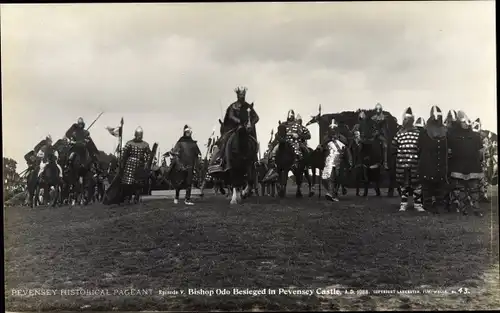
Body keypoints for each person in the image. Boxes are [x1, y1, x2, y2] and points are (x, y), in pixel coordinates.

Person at [208, 87, 259, 173]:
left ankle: (255, 161)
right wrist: (239, 121)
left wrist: (250, 123)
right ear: (237, 95)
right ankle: (223, 160)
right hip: (234, 128)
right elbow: (230, 116)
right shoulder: (233, 106)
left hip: (246, 129)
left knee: (253, 142)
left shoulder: (248, 107)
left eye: (243, 95)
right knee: (225, 140)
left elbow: (256, 117)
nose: (242, 96)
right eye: (240, 95)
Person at [447, 112, 484, 216]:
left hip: (473, 165)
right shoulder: (452, 135)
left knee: (474, 189)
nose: (466, 124)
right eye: (463, 122)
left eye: (467, 122)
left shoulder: (476, 136)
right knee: (460, 188)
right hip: (458, 165)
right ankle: (463, 209)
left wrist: (478, 160)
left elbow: (481, 151)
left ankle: (476, 209)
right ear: (459, 123)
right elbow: (449, 151)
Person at [392, 107, 424, 212]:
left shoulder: (418, 133)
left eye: (408, 120)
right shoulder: (399, 133)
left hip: (415, 163)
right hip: (402, 163)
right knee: (403, 185)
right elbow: (393, 147)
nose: (406, 121)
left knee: (417, 184)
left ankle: (418, 204)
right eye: (405, 119)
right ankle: (403, 204)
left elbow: (421, 148)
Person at [418, 105, 448, 213]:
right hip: (428, 160)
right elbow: (420, 146)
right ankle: (427, 204)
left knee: (440, 183)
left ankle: (439, 203)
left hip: (440, 160)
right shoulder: (425, 131)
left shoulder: (444, 130)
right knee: (427, 184)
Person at [321, 118, 352, 201]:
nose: (332, 131)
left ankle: (333, 193)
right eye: (331, 129)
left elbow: (347, 151)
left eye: (334, 129)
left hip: (339, 161)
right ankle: (331, 192)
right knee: (326, 178)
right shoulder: (326, 138)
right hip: (328, 161)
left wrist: (349, 161)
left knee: (337, 178)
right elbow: (322, 150)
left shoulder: (342, 138)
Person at [169, 125, 201, 205]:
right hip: (182, 165)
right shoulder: (180, 142)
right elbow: (175, 153)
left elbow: (197, 154)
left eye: (189, 132)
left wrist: (197, 165)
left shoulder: (193, 143)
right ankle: (176, 197)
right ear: (184, 132)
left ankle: (187, 199)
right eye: (187, 132)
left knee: (189, 183)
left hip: (190, 165)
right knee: (180, 182)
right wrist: (178, 163)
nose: (188, 133)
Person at [120, 127, 151, 202]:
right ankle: (128, 196)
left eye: (140, 135)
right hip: (130, 164)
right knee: (128, 182)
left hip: (140, 164)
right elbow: (124, 155)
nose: (139, 136)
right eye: (138, 135)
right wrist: (122, 164)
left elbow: (149, 154)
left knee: (139, 182)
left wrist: (147, 162)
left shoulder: (145, 144)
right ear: (135, 134)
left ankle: (136, 197)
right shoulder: (129, 143)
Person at [371, 103, 390, 169]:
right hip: (374, 135)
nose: (378, 110)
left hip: (382, 135)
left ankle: (385, 163)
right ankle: (374, 162)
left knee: (385, 146)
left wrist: (382, 132)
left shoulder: (385, 117)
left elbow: (386, 128)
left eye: (379, 109)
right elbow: (371, 127)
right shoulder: (373, 118)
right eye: (377, 109)